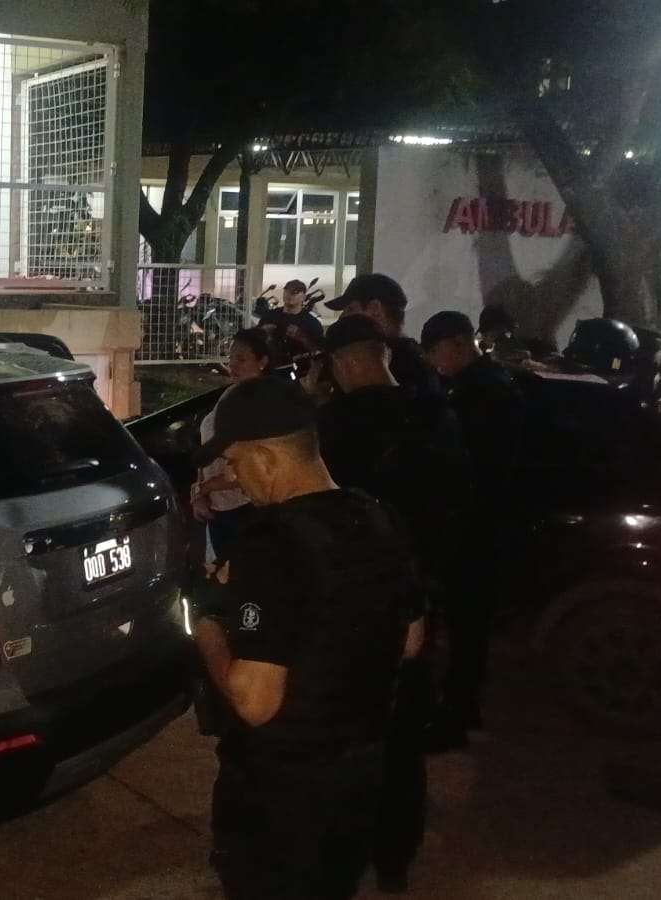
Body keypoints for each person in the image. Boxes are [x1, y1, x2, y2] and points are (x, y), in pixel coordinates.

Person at [189, 377, 426, 900]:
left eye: (236, 462)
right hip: (359, 782)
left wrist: (206, 625)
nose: (235, 477)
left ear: (267, 457)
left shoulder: (270, 544)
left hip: (280, 797)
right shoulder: (379, 516)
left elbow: (254, 702)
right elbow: (410, 642)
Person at [316, 315, 475, 893]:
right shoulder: (436, 414)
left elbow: (321, 518)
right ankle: (395, 857)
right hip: (421, 601)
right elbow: (459, 506)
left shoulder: (336, 424)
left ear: (344, 362)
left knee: (342, 735)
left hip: (351, 605)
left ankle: (344, 853)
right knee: (403, 737)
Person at [420, 312, 525, 747]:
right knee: (464, 629)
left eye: (436, 352)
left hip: (476, 528)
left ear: (459, 344)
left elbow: (474, 466)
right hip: (473, 525)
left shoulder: (487, 392)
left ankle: (457, 717)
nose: (434, 362)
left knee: (466, 630)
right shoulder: (475, 386)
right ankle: (459, 710)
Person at [191, 328, 278, 566]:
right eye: (231, 357)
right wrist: (200, 491)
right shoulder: (231, 394)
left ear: (262, 362)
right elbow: (208, 450)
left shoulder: (263, 403)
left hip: (245, 506)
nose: (233, 365)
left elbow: (253, 467)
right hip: (218, 507)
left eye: (241, 359)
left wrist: (204, 488)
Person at [324, 273, 444, 402]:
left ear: (375, 308)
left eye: (350, 309)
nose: (343, 318)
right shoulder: (415, 359)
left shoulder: (392, 364)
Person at [259, 279, 325, 361]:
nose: (290, 294)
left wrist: (302, 337)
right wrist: (263, 332)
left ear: (304, 297)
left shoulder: (312, 323)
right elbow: (255, 341)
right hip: (271, 364)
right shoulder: (269, 316)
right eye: (287, 291)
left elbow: (319, 351)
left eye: (295, 292)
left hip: (300, 365)